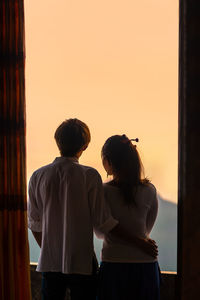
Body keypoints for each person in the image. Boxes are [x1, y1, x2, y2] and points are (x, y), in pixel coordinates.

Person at [28, 119, 158, 300]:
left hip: (50, 262)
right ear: (85, 146)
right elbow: (103, 223)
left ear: (57, 140)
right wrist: (140, 242)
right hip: (82, 262)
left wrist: (50, 249)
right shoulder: (89, 176)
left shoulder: (37, 176)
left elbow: (34, 223)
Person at [97, 134, 161, 300]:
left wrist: (134, 240)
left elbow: (103, 228)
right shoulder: (149, 190)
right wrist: (140, 242)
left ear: (108, 162)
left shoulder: (103, 191)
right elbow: (146, 228)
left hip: (114, 264)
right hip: (146, 265)